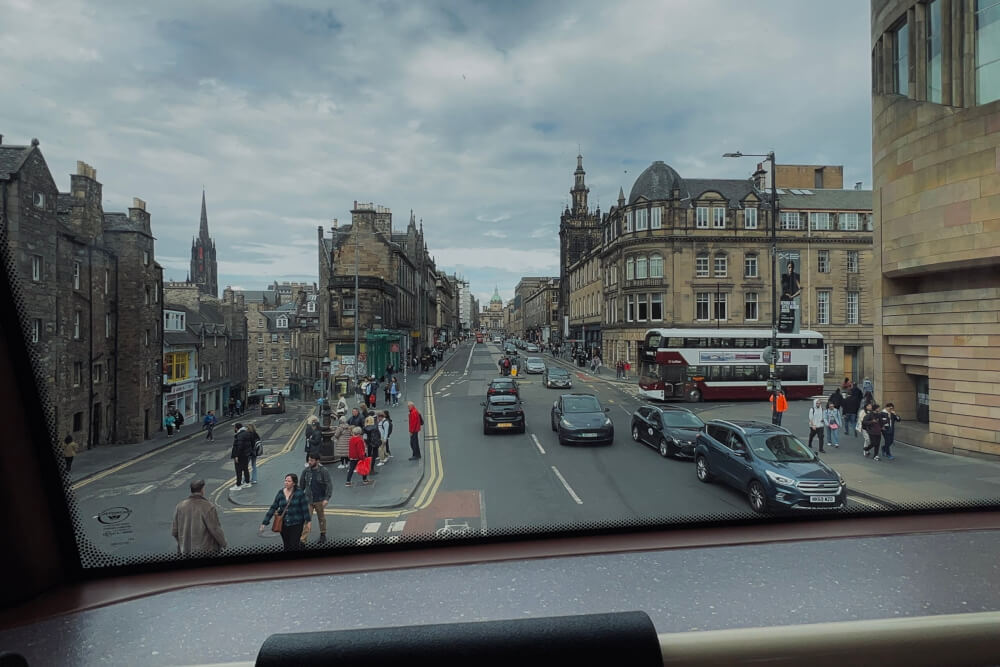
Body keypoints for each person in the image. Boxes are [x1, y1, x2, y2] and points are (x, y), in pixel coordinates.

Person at [171, 479, 227, 555]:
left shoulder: (180, 506)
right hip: (205, 551)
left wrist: (183, 543)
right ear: (202, 489)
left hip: (185, 551)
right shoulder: (208, 507)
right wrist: (223, 543)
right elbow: (215, 529)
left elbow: (174, 531)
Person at [259, 473, 310, 551]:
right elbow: (273, 507)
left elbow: (305, 508)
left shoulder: (299, 493)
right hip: (283, 524)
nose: (286, 482)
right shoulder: (280, 493)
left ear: (294, 483)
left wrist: (308, 522)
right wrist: (264, 522)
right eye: (285, 480)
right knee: (287, 545)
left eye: (289, 481)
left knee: (294, 545)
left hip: (296, 523)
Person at [300, 452, 332, 544]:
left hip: (320, 499)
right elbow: (301, 486)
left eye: (311, 460)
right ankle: (303, 540)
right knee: (307, 519)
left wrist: (326, 498)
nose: (309, 462)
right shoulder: (306, 471)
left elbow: (329, 485)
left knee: (321, 518)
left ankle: (323, 534)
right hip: (308, 499)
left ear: (317, 461)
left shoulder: (323, 471)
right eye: (309, 460)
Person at [230, 423, 254, 490]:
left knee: (238, 470)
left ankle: (238, 485)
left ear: (237, 428)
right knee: (245, 469)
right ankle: (247, 482)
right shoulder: (247, 433)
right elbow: (252, 443)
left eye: (234, 427)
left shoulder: (240, 435)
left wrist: (237, 456)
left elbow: (239, 446)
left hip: (240, 455)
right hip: (246, 454)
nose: (234, 429)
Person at [363, 410, 381, 475]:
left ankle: (368, 468)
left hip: (369, 443)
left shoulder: (365, 428)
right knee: (374, 456)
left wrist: (367, 442)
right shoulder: (375, 427)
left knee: (369, 456)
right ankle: (372, 469)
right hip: (375, 443)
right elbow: (378, 435)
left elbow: (364, 437)